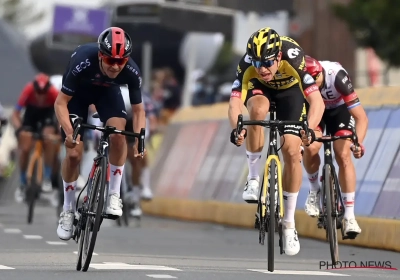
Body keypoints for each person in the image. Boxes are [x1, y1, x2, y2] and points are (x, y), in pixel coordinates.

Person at [228, 27, 325, 256]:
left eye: (267, 62)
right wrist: (237, 129)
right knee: (257, 112)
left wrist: (309, 130)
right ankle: (253, 179)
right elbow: (234, 104)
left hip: (290, 92)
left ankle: (289, 224)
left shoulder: (294, 56)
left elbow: (317, 102)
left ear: (278, 56)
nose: (262, 69)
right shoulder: (247, 65)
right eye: (257, 63)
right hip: (260, 92)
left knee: (292, 150)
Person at [54, 27, 146, 241]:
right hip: (76, 96)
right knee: (74, 153)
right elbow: (61, 103)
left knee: (118, 136)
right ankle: (68, 209)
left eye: (120, 61)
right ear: (100, 55)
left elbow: (139, 110)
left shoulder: (131, 71)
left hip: (107, 94)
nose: (115, 66)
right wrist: (69, 132)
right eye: (110, 60)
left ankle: (114, 194)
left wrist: (140, 138)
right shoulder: (82, 61)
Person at [303, 55, 367, 238]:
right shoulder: (303, 83)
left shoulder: (336, 76)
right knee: (311, 147)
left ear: (321, 73)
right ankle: (314, 190)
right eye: (309, 83)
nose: (313, 86)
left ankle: (349, 216)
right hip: (315, 112)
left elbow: (361, 117)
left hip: (339, 111)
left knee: (343, 155)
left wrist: (357, 143)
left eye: (316, 80)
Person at [12, 73, 59, 202]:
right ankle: (22, 182)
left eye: (44, 92)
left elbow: (61, 115)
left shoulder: (54, 93)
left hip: (47, 115)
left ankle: (47, 178)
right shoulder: (28, 90)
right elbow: (15, 114)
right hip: (31, 116)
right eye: (38, 92)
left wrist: (59, 131)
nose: (41, 96)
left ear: (48, 89)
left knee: (49, 139)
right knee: (25, 146)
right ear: (34, 89)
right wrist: (19, 129)